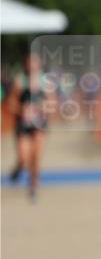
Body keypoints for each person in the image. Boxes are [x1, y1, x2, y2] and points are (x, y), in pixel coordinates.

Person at [9, 53, 48, 202]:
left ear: (39, 64)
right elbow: (11, 102)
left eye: (35, 62)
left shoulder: (45, 82)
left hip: (39, 124)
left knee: (36, 156)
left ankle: (33, 187)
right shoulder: (20, 81)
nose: (32, 65)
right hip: (23, 124)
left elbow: (53, 102)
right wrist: (22, 110)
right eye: (30, 62)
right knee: (23, 157)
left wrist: (44, 108)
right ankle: (18, 169)